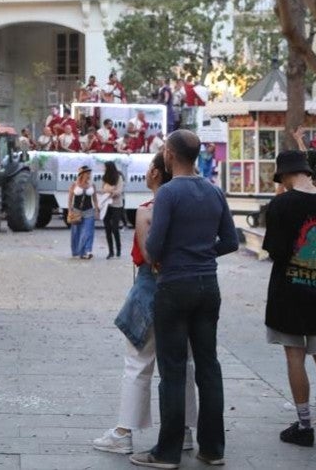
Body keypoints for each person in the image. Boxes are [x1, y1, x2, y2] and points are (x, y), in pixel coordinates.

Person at [133, 130, 238, 469]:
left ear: (170, 154)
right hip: (208, 284)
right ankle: (212, 448)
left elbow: (155, 245)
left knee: (174, 369)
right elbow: (231, 241)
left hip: (175, 284)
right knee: (209, 366)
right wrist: (205, 252)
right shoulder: (213, 190)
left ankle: (167, 451)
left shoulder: (167, 193)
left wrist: (160, 256)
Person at [94, 152, 199, 455]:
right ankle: (186, 429)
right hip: (188, 290)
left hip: (152, 290)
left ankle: (124, 431)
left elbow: (151, 257)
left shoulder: (147, 210)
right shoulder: (190, 209)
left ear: (155, 173)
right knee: (183, 364)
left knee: (138, 362)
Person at [263, 154, 316, 448]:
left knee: (294, 355)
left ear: (286, 176)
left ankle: (304, 425)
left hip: (287, 293)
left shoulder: (281, 204)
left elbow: (274, 251)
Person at [67, 166, 98, 260]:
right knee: (76, 232)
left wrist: (97, 209)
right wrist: (69, 210)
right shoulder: (74, 185)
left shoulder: (92, 185)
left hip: (89, 211)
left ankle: (87, 251)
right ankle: (76, 251)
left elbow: (95, 199)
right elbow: (70, 198)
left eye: (89, 173)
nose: (89, 175)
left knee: (88, 231)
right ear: (82, 174)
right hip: (76, 211)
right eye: (87, 173)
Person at [101, 160, 125, 259]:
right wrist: (111, 189)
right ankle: (110, 251)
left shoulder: (118, 177)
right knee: (107, 228)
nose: (104, 169)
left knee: (115, 228)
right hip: (106, 205)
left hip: (116, 205)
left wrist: (109, 190)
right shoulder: (104, 178)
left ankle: (118, 249)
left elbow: (119, 191)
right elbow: (102, 189)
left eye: (105, 167)